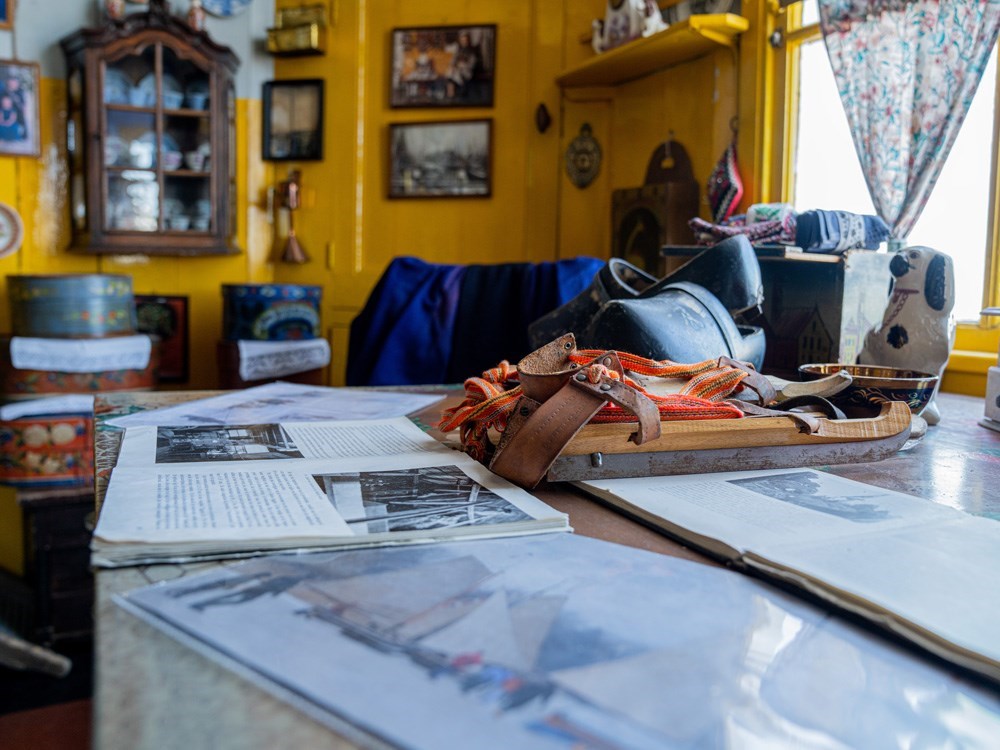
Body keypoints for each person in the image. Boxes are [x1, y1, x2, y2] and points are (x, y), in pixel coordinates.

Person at [445, 30, 482, 100]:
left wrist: (462, 65)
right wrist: (453, 65)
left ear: (468, 40)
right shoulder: (458, 50)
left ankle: (460, 94)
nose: (464, 42)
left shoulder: (472, 51)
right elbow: (453, 60)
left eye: (465, 40)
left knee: (455, 75)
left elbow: (472, 64)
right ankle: (450, 95)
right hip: (457, 70)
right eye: (462, 40)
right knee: (450, 73)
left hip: (466, 71)